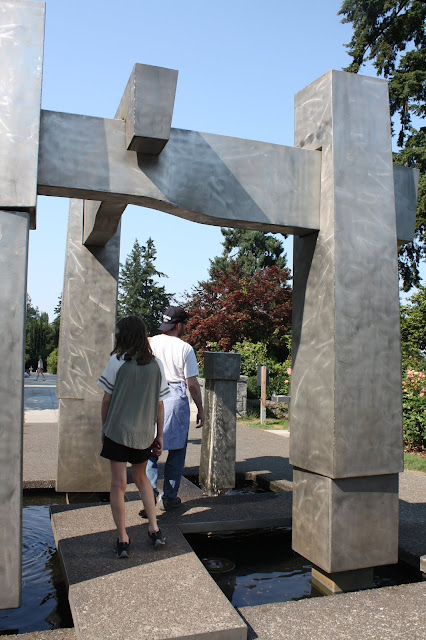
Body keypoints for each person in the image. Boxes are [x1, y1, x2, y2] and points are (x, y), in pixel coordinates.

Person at [97, 316, 171, 557]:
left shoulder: (116, 361)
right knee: (142, 480)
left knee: (118, 484)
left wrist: (104, 428)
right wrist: (159, 435)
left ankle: (123, 539)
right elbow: (160, 404)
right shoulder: (156, 365)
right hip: (143, 434)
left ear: (123, 336)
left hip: (117, 432)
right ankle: (154, 528)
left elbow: (106, 400)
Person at [143, 306, 205, 513]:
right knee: (177, 450)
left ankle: (149, 495)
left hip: (151, 395)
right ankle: (168, 497)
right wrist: (201, 408)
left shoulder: (150, 342)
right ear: (179, 325)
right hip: (174, 397)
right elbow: (192, 384)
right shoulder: (185, 348)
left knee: (150, 450)